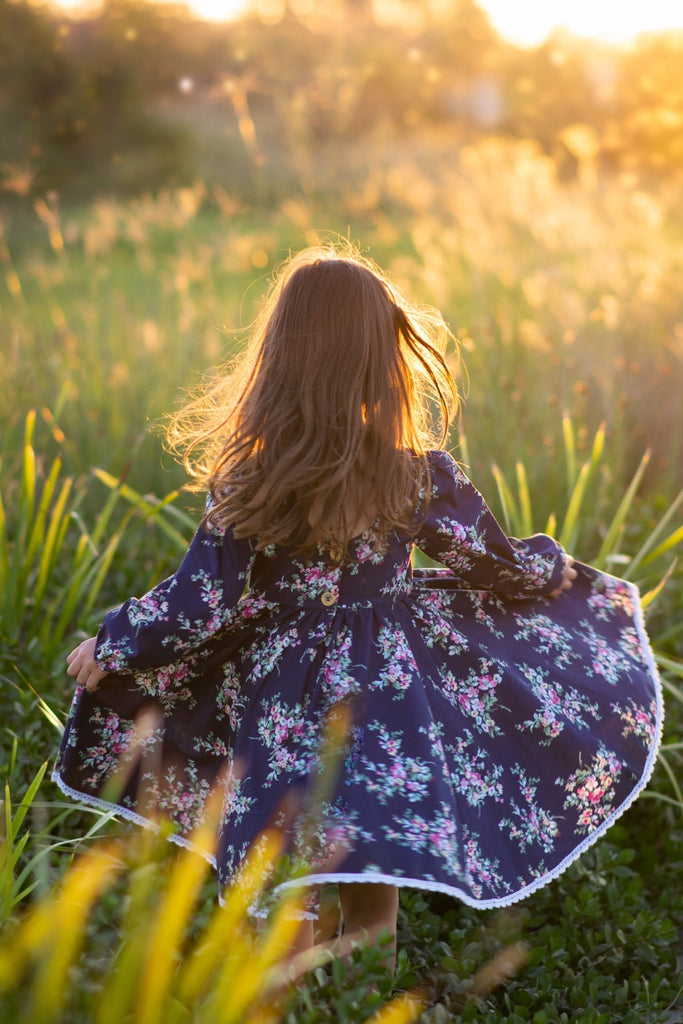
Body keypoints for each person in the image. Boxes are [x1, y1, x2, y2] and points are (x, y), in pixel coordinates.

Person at [56, 244, 662, 971]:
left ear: (278, 355)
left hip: (282, 703)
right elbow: (496, 566)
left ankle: (274, 992)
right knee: (372, 905)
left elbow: (199, 603)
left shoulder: (250, 479)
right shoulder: (413, 476)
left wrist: (114, 644)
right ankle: (336, 998)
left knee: (280, 891)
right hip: (387, 699)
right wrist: (557, 570)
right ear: (384, 356)